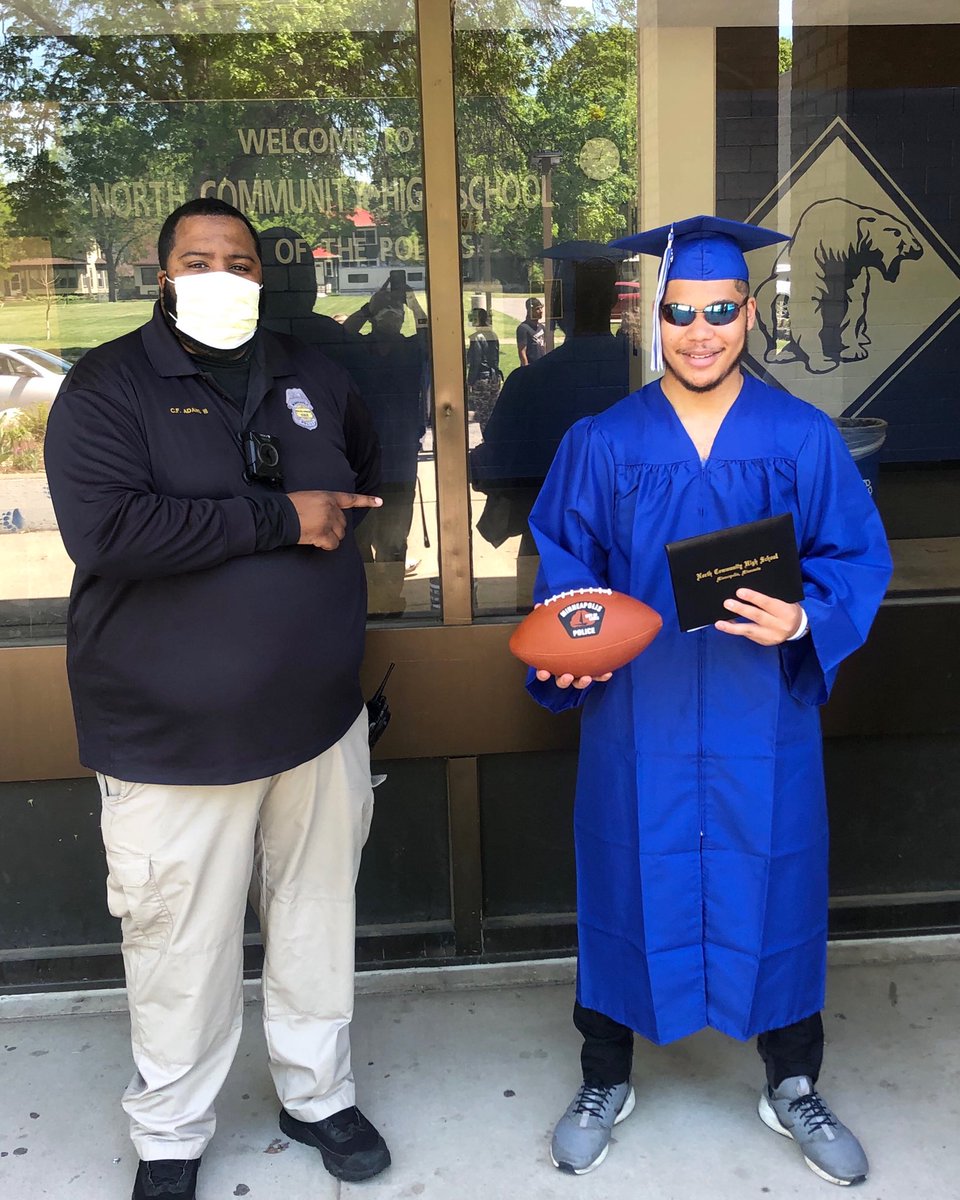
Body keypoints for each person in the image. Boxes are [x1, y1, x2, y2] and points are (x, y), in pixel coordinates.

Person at [526, 216, 892, 1186]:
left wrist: (806, 620)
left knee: (773, 878)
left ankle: (793, 1082)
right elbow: (565, 568)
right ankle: (606, 1075)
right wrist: (571, 639)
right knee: (620, 879)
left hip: (757, 717)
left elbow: (855, 556)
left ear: (748, 314)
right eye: (681, 313)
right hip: (636, 717)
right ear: (654, 317)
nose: (700, 332)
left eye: (720, 313)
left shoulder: (801, 439)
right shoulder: (604, 443)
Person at [44, 197, 391, 1200]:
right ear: (163, 275)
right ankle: (171, 1133)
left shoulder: (315, 375)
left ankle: (317, 1093)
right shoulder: (108, 386)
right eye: (197, 258)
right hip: (168, 737)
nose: (221, 272)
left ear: (260, 274)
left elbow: (360, 484)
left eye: (238, 259)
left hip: (316, 723)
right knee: (176, 943)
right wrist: (279, 520)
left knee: (316, 916)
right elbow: (111, 535)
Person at [342, 281, 429, 615]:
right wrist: (369, 306)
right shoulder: (356, 351)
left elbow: (432, 332)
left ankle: (391, 600)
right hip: (360, 464)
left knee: (394, 540)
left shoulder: (411, 351)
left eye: (397, 312)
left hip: (399, 464)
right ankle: (369, 601)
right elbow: (341, 334)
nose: (391, 317)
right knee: (361, 540)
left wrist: (411, 300)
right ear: (375, 319)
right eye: (384, 312)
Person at [465, 306, 502, 433]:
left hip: (482, 379)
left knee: (483, 413)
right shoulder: (493, 335)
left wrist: (470, 381)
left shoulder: (476, 338)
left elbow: (476, 361)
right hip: (494, 377)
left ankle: (486, 438)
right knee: (492, 411)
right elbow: (496, 358)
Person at [516, 295, 545, 366]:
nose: (541, 311)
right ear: (530, 311)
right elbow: (522, 351)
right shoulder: (523, 328)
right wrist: (526, 369)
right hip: (531, 367)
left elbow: (545, 346)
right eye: (537, 309)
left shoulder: (542, 327)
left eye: (541, 308)